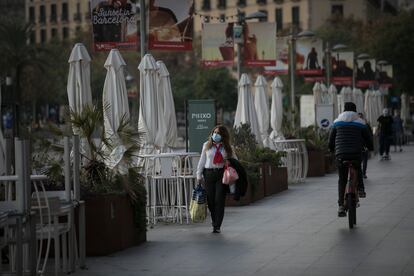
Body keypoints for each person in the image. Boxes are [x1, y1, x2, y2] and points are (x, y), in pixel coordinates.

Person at [329, 102, 373, 217]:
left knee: (342, 179)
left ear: (344, 110)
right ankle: (361, 189)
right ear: (355, 110)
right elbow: (368, 138)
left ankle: (340, 206)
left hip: (341, 154)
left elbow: (331, 139)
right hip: (355, 153)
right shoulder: (360, 122)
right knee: (357, 167)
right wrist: (371, 147)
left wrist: (331, 149)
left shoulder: (337, 122)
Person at [196, 125, 234, 233]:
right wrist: (198, 175)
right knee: (211, 201)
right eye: (214, 132)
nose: (215, 135)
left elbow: (235, 160)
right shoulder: (206, 145)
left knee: (219, 200)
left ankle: (217, 225)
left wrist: (229, 162)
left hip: (221, 175)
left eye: (218, 133)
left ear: (223, 136)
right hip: (208, 174)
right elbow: (202, 161)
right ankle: (214, 221)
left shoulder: (227, 147)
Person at [358, 113, 373, 178]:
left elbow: (370, 136)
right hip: (359, 146)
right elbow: (370, 136)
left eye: (361, 117)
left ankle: (363, 173)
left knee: (364, 160)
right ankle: (362, 173)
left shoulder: (365, 125)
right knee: (361, 160)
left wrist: (369, 146)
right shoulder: (365, 125)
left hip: (363, 146)